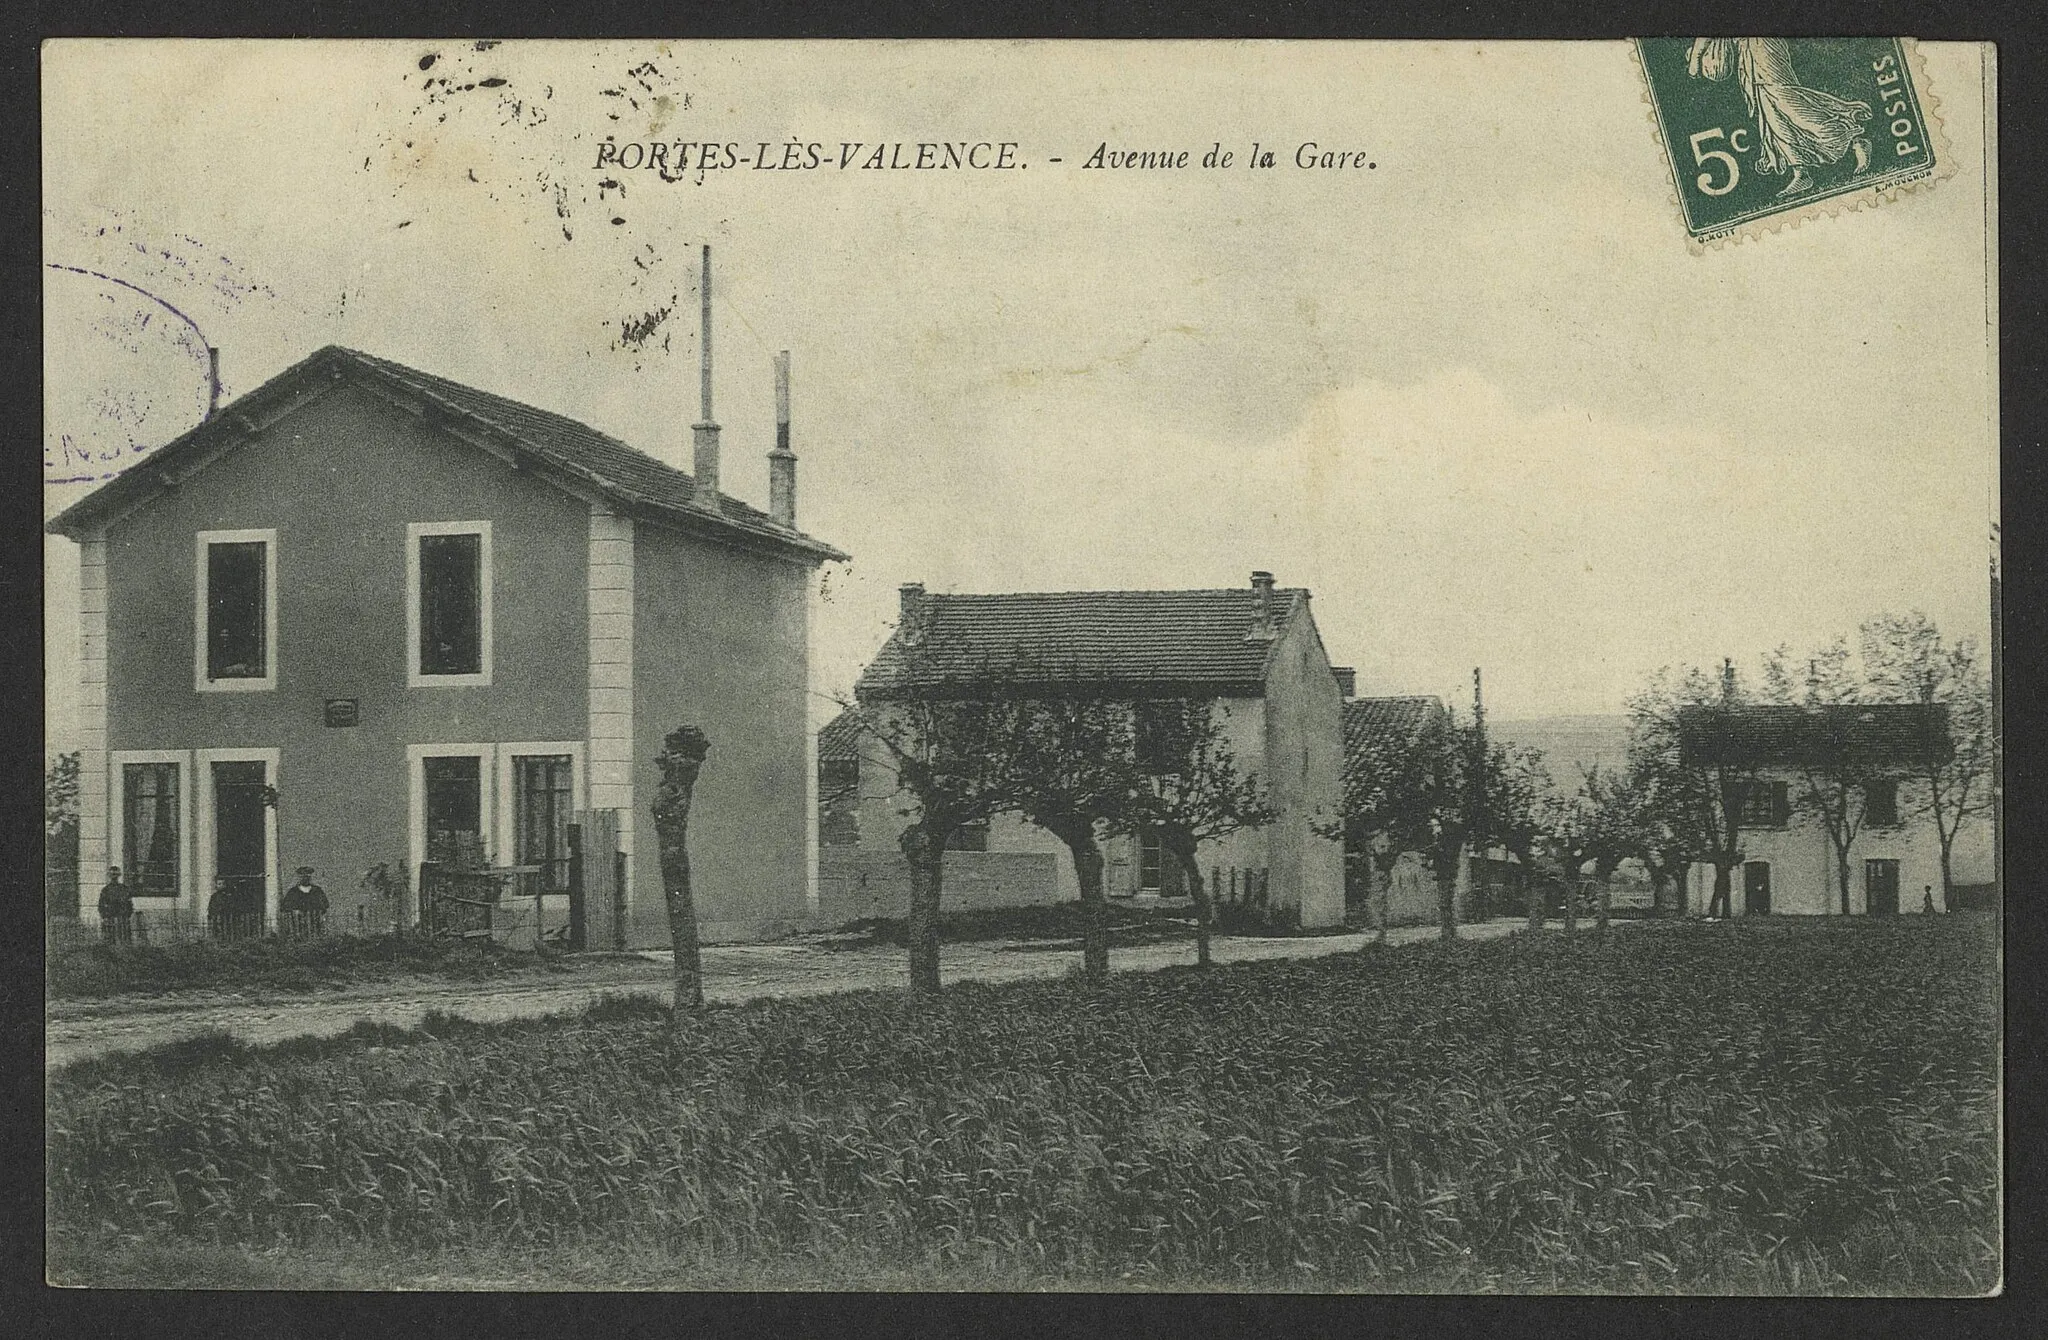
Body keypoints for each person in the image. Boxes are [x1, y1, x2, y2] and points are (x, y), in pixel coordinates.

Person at [1687, 37, 1874, 197]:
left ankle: (1854, 139)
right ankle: (1800, 172)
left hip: (1763, 46)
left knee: (1789, 103)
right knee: (1771, 113)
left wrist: (1696, 58)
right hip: (1749, 51)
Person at [281, 865, 329, 938]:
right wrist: (295, 912)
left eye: (308, 875)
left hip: (315, 925)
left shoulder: (317, 891)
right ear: (299, 877)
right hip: (298, 927)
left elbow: (325, 904)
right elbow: (285, 907)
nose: (306, 877)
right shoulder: (293, 892)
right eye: (303, 875)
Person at [96, 866, 132, 945]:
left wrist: (127, 915)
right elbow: (101, 905)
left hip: (122, 920)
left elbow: (129, 905)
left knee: (124, 941)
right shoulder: (106, 890)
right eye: (112, 875)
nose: (114, 877)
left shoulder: (124, 889)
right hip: (110, 919)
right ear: (109, 876)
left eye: (116, 875)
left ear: (119, 875)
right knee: (111, 942)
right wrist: (105, 916)